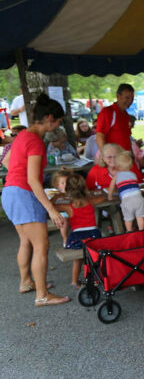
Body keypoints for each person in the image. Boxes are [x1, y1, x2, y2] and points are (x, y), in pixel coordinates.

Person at [1, 93, 70, 306]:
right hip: (23, 194)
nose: (58, 125)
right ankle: (42, 295)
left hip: (9, 192)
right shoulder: (36, 141)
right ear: (50, 118)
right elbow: (32, 180)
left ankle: (26, 282)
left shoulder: (22, 136)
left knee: (26, 241)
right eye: (58, 121)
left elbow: (6, 162)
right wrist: (51, 209)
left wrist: (18, 176)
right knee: (41, 244)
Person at [54, 173, 106, 289]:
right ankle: (96, 278)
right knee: (95, 257)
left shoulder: (68, 207)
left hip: (78, 239)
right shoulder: (91, 201)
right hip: (94, 236)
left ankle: (74, 281)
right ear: (84, 187)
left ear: (68, 190)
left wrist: (58, 196)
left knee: (78, 259)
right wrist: (92, 193)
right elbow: (104, 196)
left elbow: (52, 205)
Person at [108, 152, 144, 232]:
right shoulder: (133, 174)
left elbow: (111, 187)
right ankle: (142, 231)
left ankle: (129, 231)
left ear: (117, 167)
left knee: (128, 218)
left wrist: (110, 196)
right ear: (130, 166)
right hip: (139, 198)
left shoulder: (117, 176)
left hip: (127, 200)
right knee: (140, 217)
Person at [95, 84, 135, 152]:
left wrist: (131, 155)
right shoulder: (108, 112)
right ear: (118, 96)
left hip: (124, 158)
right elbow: (100, 136)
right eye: (127, 98)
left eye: (132, 98)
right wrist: (106, 157)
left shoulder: (125, 115)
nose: (130, 101)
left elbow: (126, 138)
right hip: (113, 158)